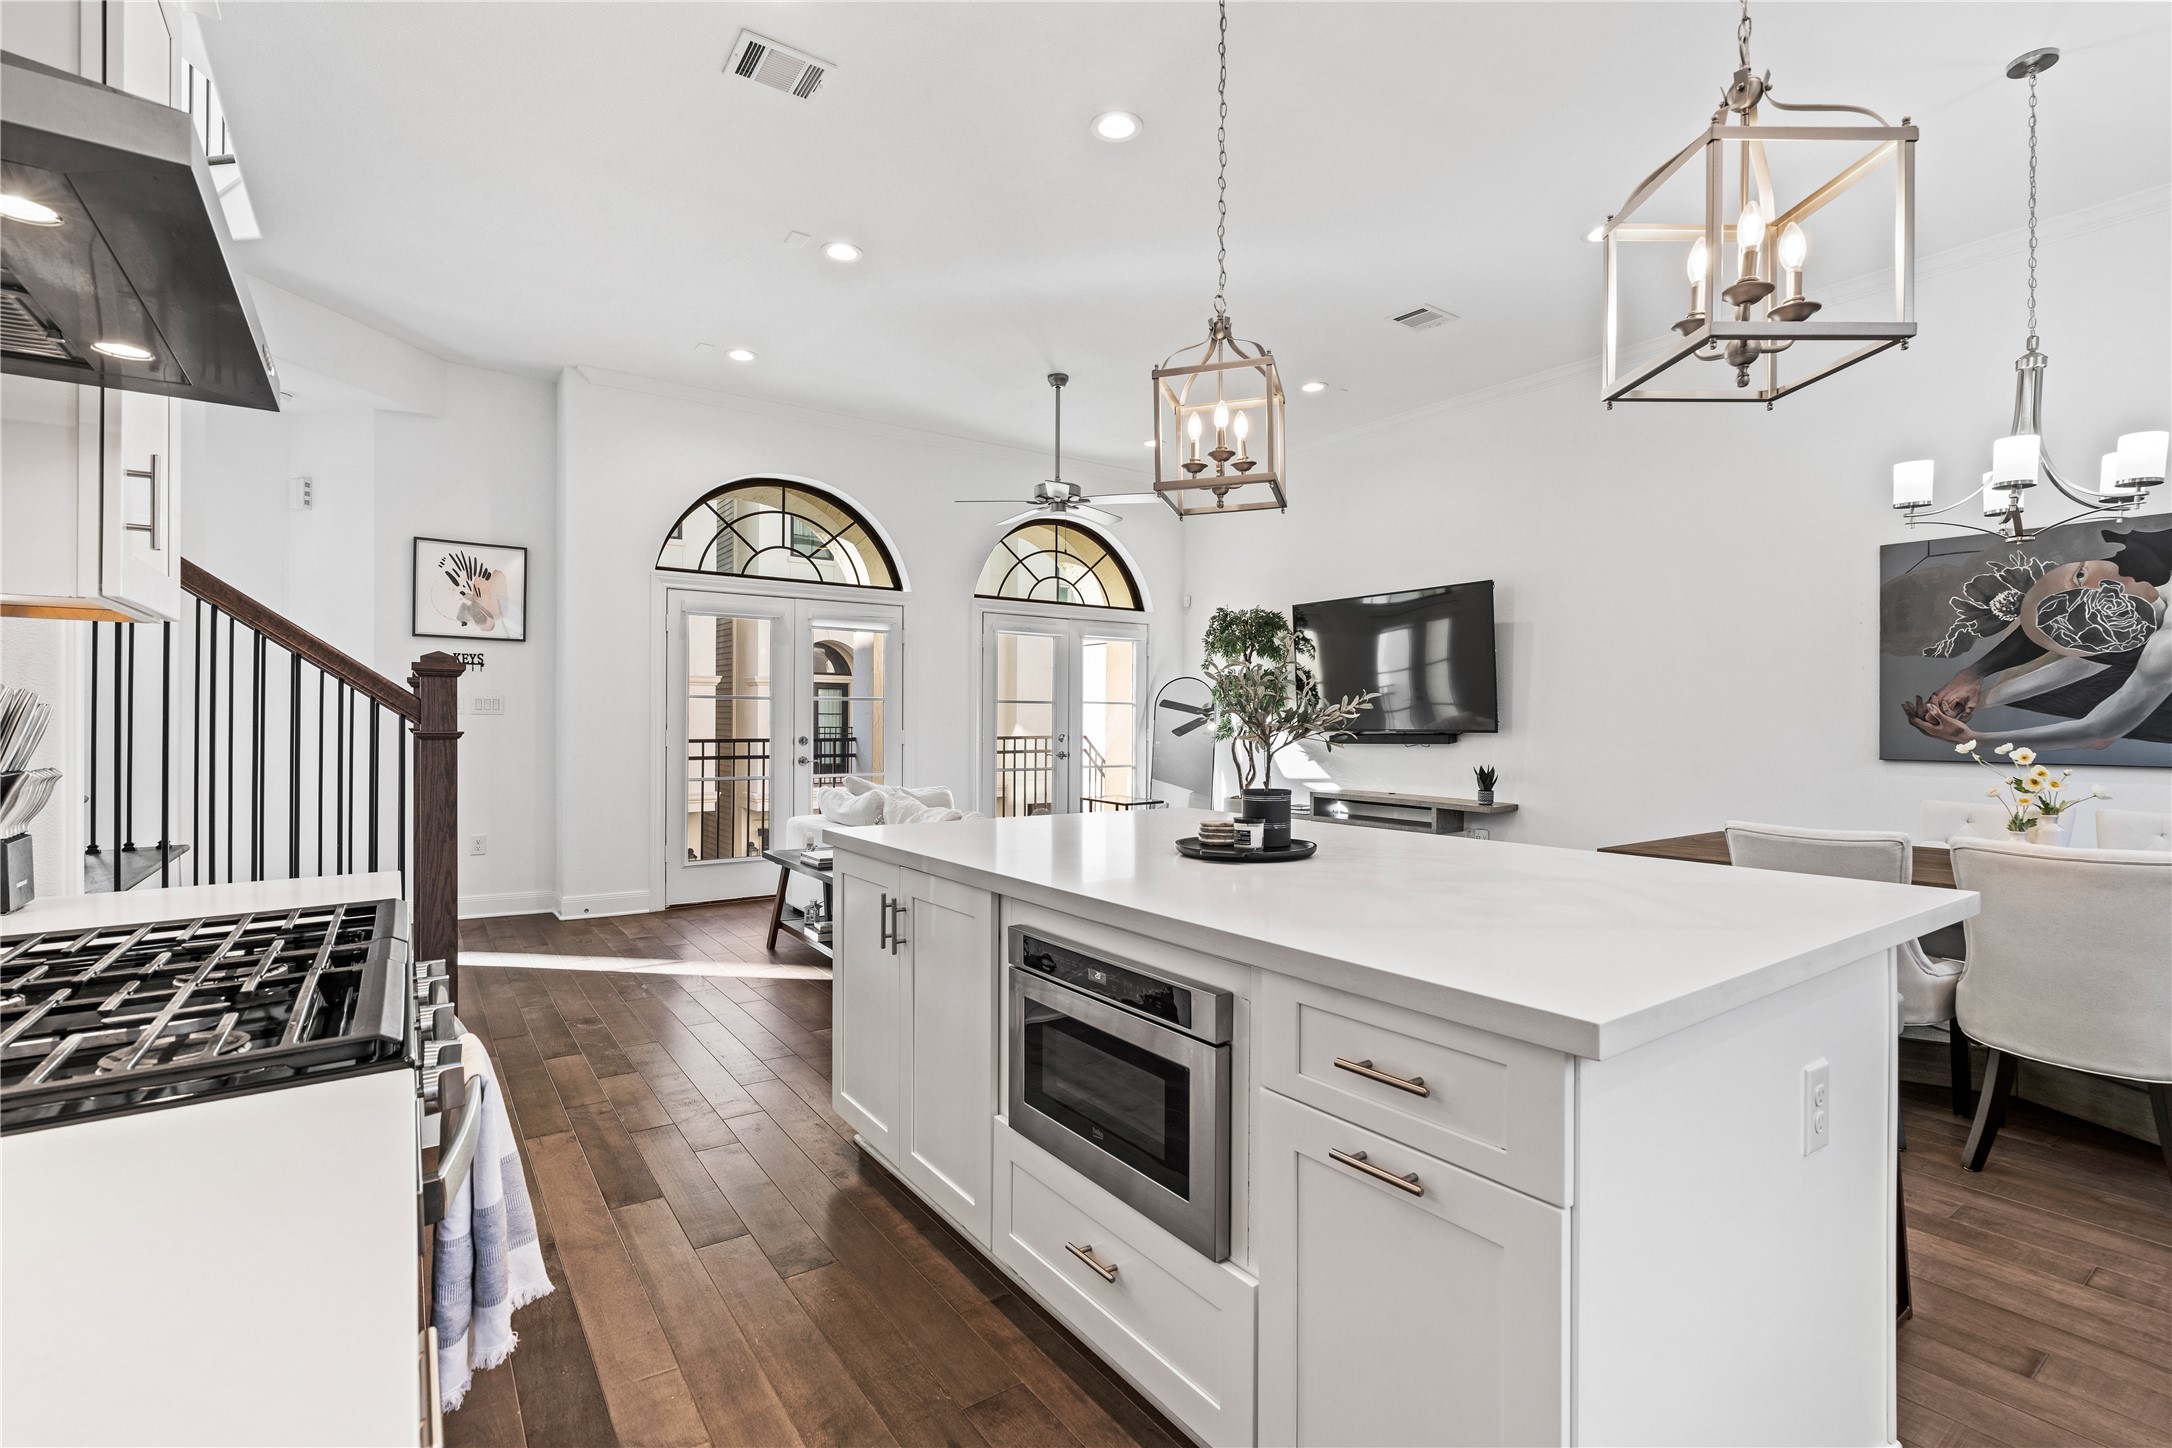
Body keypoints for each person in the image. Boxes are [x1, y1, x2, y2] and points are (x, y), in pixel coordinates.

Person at [1905, 543, 2172, 750]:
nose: (2099, 588)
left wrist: (1972, 739)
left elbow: (2098, 732)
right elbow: (2078, 666)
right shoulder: (2153, 628)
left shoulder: (2160, 649)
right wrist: (1977, 702)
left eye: (2080, 574)